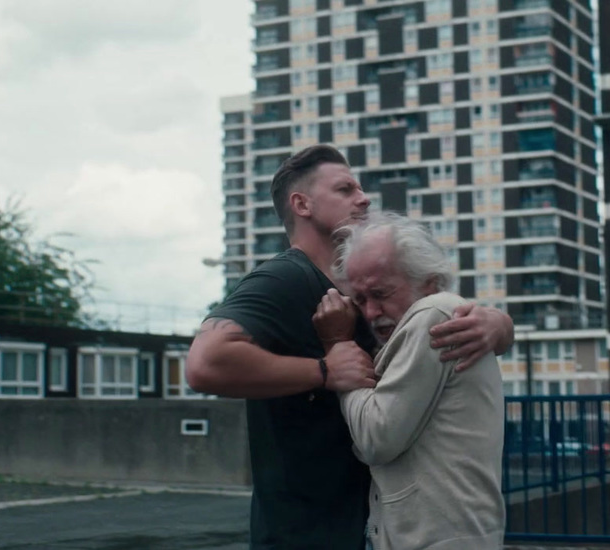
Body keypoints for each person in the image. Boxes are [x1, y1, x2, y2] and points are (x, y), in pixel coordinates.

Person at [186, 145, 514, 550]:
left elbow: (434, 326)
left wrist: (500, 326)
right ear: (302, 204)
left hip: (372, 527)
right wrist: (324, 371)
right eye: (345, 189)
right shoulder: (285, 279)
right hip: (304, 532)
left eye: (360, 188)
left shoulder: (362, 288)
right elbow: (205, 364)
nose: (363, 198)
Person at [312, 212, 505, 550]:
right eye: (359, 300)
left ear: (429, 282)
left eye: (382, 293)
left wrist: (338, 348)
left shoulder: (433, 314)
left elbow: (376, 436)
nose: (371, 312)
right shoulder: (433, 317)